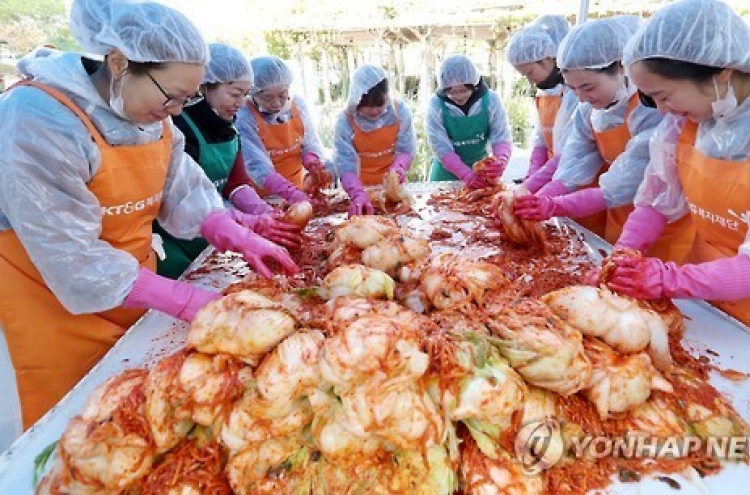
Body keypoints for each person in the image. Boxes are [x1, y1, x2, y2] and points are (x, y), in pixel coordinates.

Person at [0, 0, 299, 428]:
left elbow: (183, 188)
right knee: (79, 429)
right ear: (120, 62)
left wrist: (232, 231)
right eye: (172, 96)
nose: (178, 110)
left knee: (152, 411)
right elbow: (72, 257)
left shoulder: (150, 115)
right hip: (52, 309)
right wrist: (186, 300)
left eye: (188, 98)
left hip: (138, 291)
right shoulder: (37, 120)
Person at [597, 0, 750, 326]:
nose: (662, 109)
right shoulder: (683, 122)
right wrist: (621, 256)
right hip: (707, 299)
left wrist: (667, 279)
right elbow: (657, 200)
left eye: (665, 95)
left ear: (721, 74)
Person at [513, 17, 694, 262]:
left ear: (621, 68)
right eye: (573, 88)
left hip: (662, 229)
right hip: (615, 216)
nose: (581, 98)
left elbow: (623, 183)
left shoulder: (652, 111)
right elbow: (572, 164)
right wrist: (539, 198)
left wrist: (555, 206)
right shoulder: (587, 110)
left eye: (588, 87)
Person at [154, 43, 301, 279]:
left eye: (245, 94)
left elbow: (236, 183)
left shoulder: (230, 129)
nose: (242, 103)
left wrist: (260, 210)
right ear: (205, 87)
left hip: (216, 235)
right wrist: (239, 221)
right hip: (172, 242)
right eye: (234, 94)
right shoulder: (180, 128)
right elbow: (176, 196)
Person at [236, 55, 329, 205]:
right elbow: (256, 166)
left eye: (282, 95)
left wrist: (312, 160)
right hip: (261, 197)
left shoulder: (297, 104)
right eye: (268, 98)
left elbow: (309, 142)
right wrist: (289, 192)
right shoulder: (244, 115)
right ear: (253, 93)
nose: (276, 103)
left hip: (298, 188)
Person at [333, 64, 417, 216]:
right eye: (367, 106)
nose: (374, 111)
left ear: (387, 95)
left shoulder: (400, 111)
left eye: (379, 105)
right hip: (358, 186)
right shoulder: (344, 121)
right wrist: (357, 193)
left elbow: (406, 148)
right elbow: (344, 163)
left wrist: (399, 167)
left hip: (393, 187)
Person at [506, 17, 578, 192]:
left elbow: (569, 152)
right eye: (525, 75)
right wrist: (531, 177)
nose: (530, 81)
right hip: (554, 182)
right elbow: (541, 142)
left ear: (549, 58)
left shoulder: (574, 94)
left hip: (578, 183)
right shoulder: (544, 93)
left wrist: (531, 186)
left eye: (530, 72)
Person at [426, 54, 513, 188]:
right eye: (452, 92)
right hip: (445, 174)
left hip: (481, 171)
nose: (459, 97)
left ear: (474, 85)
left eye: (464, 90)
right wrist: (466, 175)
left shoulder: (491, 100)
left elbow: (501, 135)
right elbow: (440, 146)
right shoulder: (436, 104)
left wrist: (501, 159)